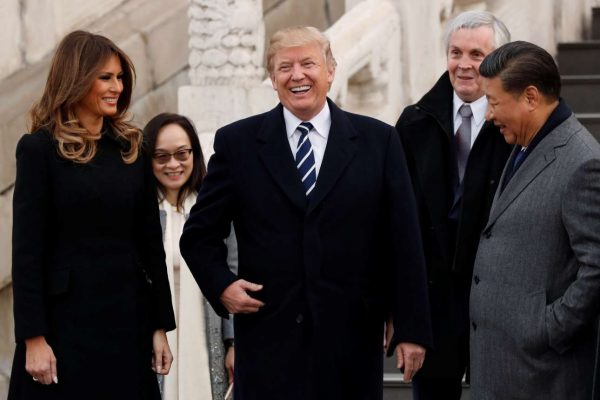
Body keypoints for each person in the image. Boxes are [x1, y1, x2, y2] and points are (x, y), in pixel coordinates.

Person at [180, 25, 432, 400]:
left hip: (352, 343)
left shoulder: (379, 141)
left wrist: (411, 326)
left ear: (330, 70)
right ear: (272, 78)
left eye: (308, 64)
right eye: (285, 67)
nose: (297, 75)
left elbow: (404, 241)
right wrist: (222, 285)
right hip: (268, 343)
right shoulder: (238, 144)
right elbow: (199, 235)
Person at [8, 31, 175, 400]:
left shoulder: (132, 148)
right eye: (105, 77)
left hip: (127, 323)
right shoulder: (38, 150)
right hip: (64, 329)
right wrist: (33, 337)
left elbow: (150, 245)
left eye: (120, 77)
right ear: (76, 79)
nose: (117, 87)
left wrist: (159, 326)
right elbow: (27, 252)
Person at [470, 40, 600, 399]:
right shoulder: (524, 146)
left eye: (494, 102)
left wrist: (548, 329)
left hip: (540, 374)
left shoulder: (582, 162)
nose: (488, 115)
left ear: (530, 97)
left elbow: (597, 267)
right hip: (501, 365)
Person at [394, 11, 511, 399]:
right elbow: (397, 227)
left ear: (500, 60)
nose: (463, 65)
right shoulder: (413, 124)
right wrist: (408, 319)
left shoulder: (517, 126)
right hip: (433, 309)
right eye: (455, 52)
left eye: (477, 54)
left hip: (498, 307)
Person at [143, 113, 237, 399]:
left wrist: (234, 343)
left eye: (182, 154)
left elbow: (233, 271)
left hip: (206, 336)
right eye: (161, 156)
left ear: (194, 154)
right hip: (155, 339)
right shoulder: (139, 213)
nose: (173, 164)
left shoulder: (214, 209)